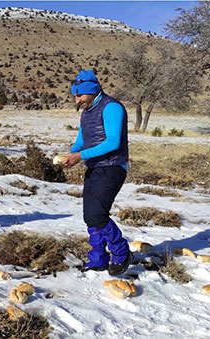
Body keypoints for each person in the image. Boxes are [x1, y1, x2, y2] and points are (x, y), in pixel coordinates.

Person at [62, 69, 132, 276]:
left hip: (113, 167)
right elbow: (81, 141)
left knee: (98, 215)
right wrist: (72, 155)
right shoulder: (87, 112)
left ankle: (121, 253)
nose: (77, 100)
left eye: (80, 95)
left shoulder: (111, 108)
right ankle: (98, 259)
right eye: (75, 96)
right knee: (89, 216)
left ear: (92, 92)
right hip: (94, 168)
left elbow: (112, 142)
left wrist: (80, 156)